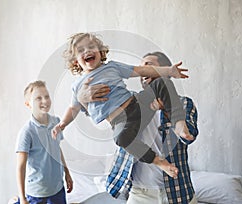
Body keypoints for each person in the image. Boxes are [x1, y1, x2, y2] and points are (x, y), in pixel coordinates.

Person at [52, 32, 192, 178]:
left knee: (162, 83)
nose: (87, 51)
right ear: (75, 61)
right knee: (121, 139)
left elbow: (141, 71)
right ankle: (158, 161)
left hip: (136, 104)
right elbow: (73, 108)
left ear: (100, 51)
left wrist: (169, 70)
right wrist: (62, 124)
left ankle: (179, 123)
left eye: (91, 46)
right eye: (81, 50)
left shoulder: (113, 67)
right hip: (120, 121)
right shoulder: (78, 86)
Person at [79, 52, 198, 204]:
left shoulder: (183, 103)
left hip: (177, 192)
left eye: (149, 66)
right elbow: (98, 110)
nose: (143, 71)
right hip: (140, 193)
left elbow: (189, 137)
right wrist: (82, 100)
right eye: (141, 69)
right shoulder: (132, 102)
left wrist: (168, 112)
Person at [15, 80, 73, 204]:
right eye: (38, 98)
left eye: (47, 96)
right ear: (28, 104)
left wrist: (67, 172)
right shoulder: (27, 132)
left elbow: (57, 149)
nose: (45, 101)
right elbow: (21, 167)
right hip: (37, 194)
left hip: (58, 189)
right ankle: (16, 200)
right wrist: (23, 198)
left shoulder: (56, 122)